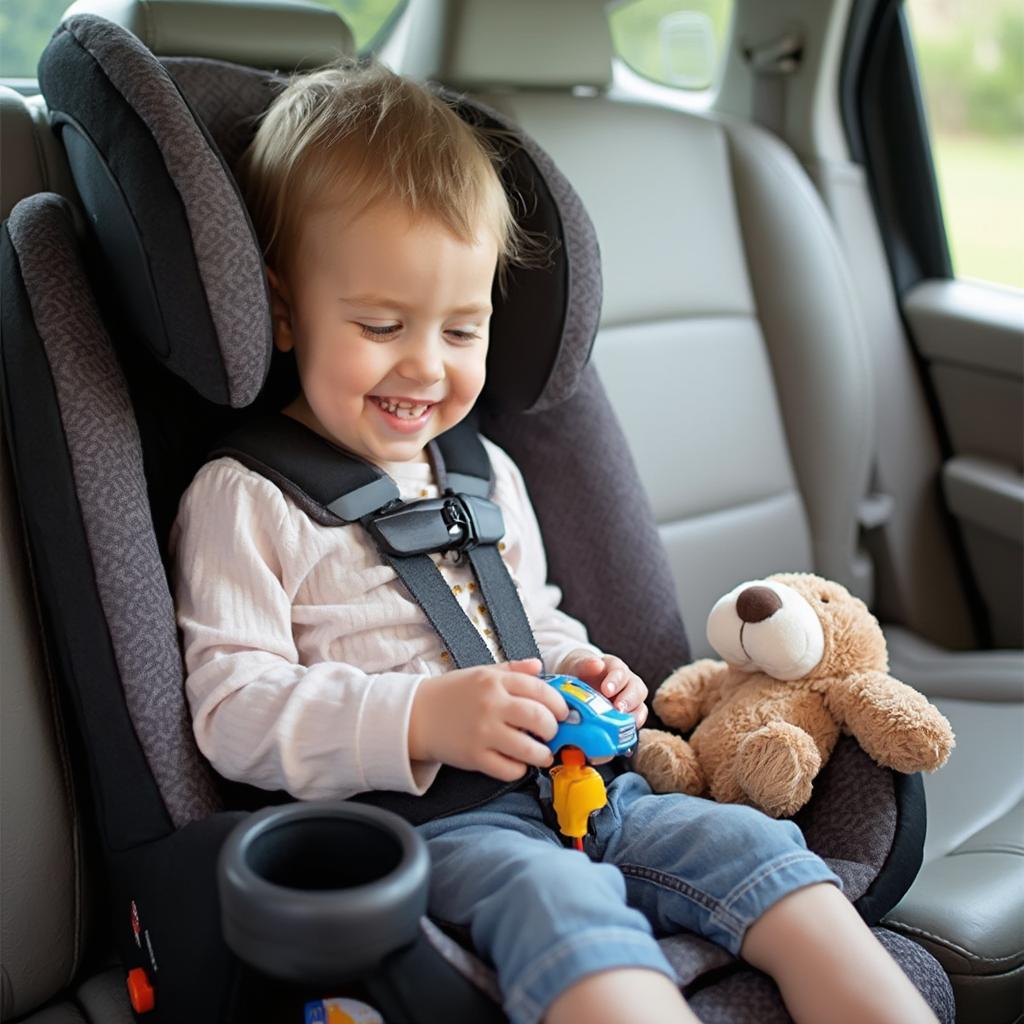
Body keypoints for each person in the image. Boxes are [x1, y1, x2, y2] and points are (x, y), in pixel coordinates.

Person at [170, 60, 939, 1024]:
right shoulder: (246, 500)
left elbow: (525, 613)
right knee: (559, 900)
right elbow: (234, 709)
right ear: (285, 310)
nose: (424, 365)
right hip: (427, 829)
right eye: (379, 325)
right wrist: (421, 719)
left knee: (754, 851)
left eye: (462, 330)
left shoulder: (482, 471)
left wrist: (576, 662)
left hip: (584, 787)